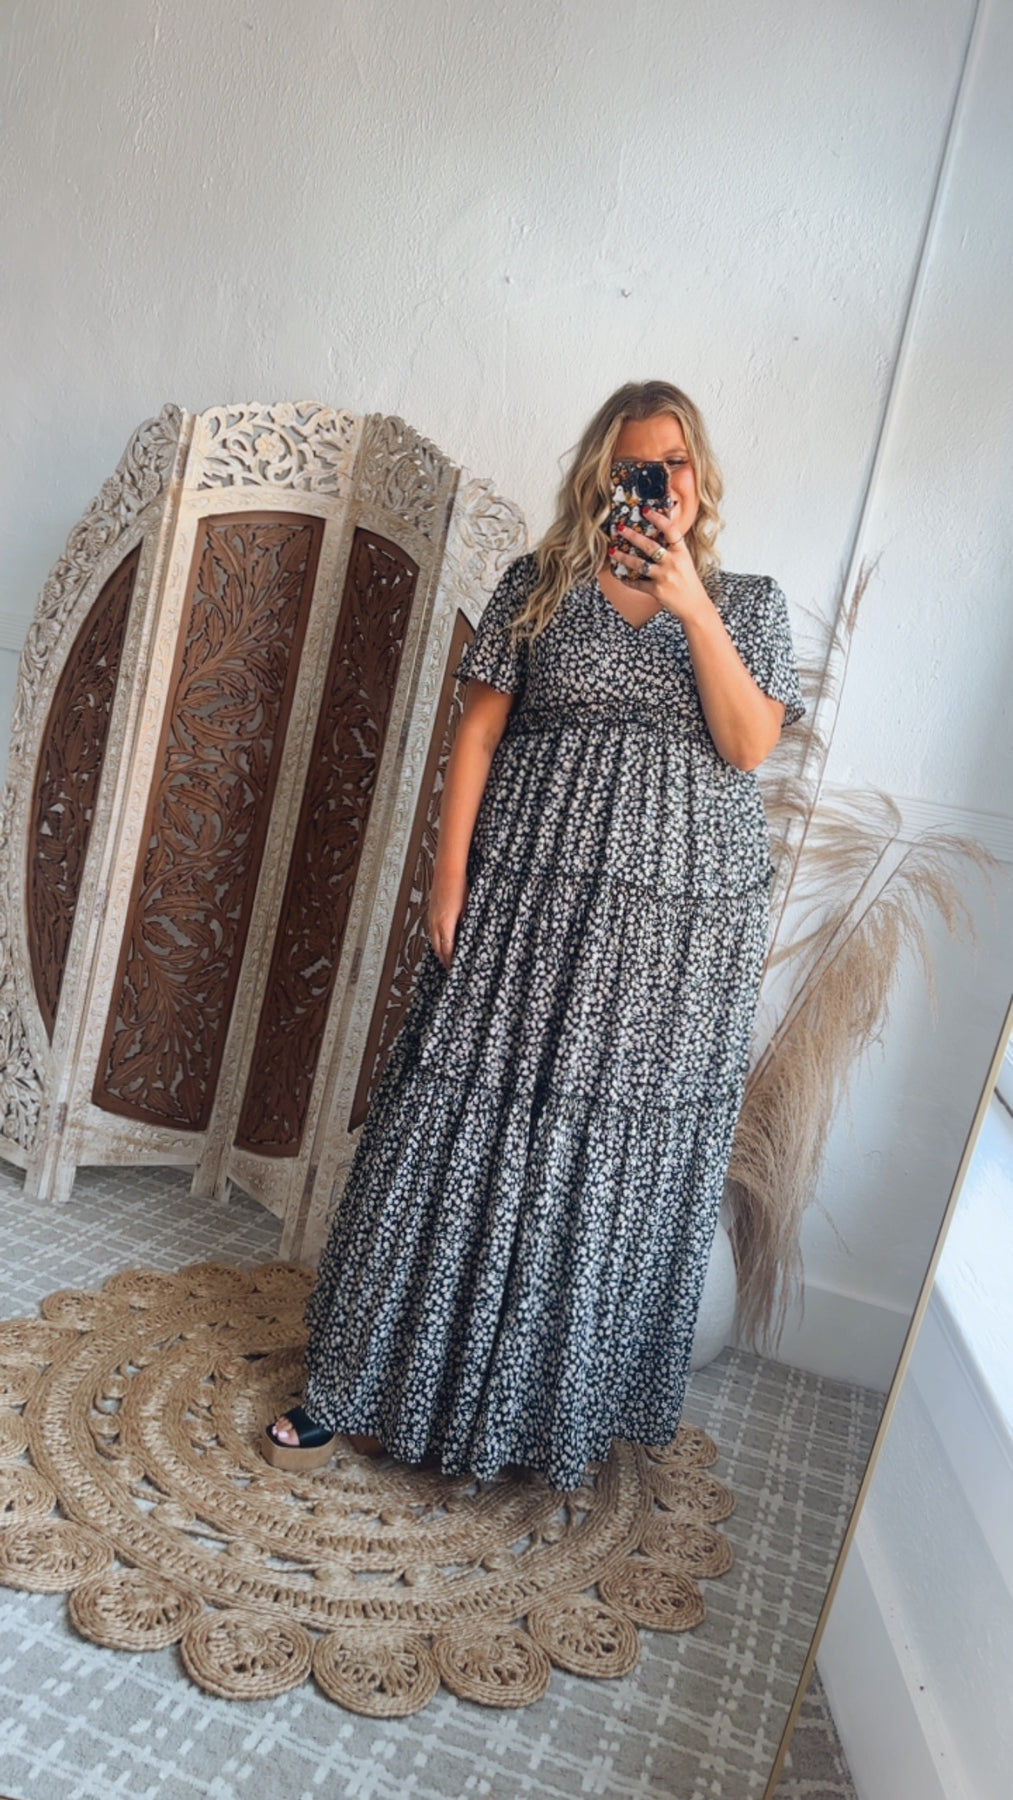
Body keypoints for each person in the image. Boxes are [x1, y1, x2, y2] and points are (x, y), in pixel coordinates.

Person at [263, 379, 804, 1491]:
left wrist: (690, 603)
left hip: (671, 946)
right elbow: (475, 736)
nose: (653, 482)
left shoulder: (747, 604)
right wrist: (445, 876)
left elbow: (747, 744)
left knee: (603, 1167)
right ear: (600, 474)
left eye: (672, 464)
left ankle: (536, 1422)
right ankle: (357, 1383)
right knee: (453, 1132)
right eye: (633, 464)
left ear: (698, 478)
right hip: (524, 905)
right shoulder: (536, 585)